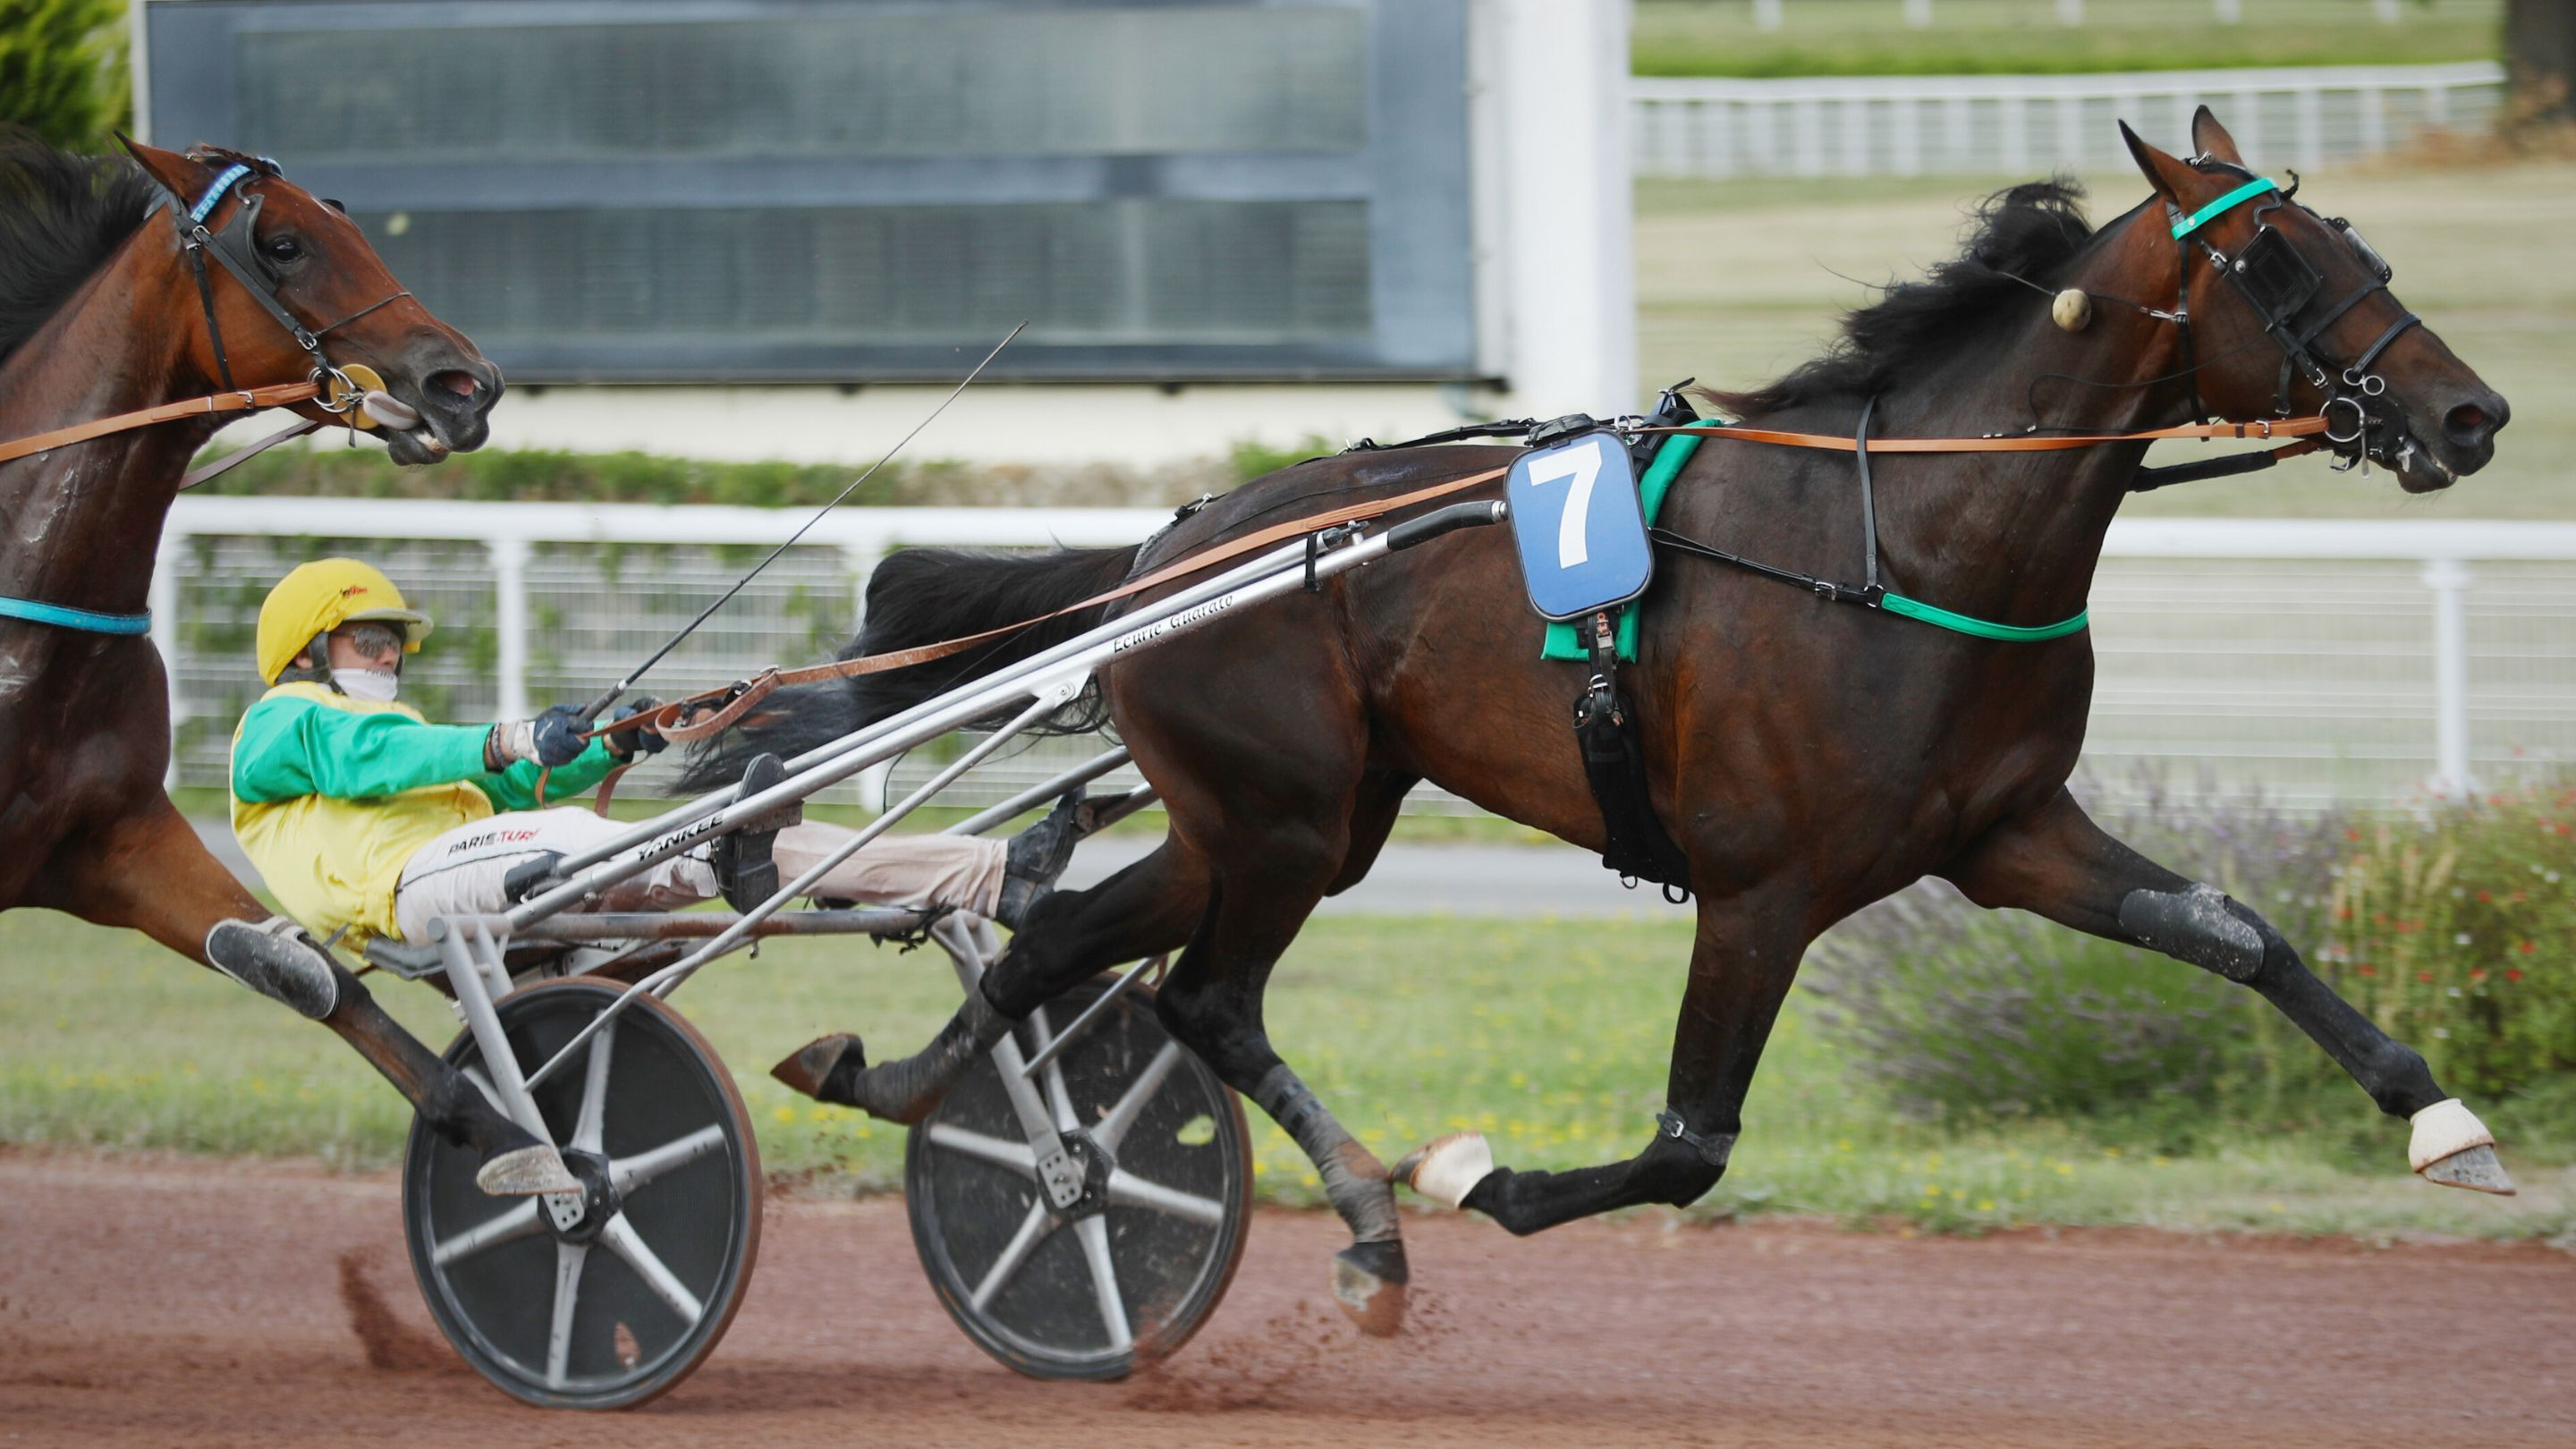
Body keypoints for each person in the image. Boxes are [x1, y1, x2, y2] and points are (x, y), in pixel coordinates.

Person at [229, 558, 1080, 950]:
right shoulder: (278, 727)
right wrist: (506, 736)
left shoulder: (394, 741)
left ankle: (994, 874)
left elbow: (520, 788)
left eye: (393, 646)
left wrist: (618, 742)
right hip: (409, 891)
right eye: (369, 642)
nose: (387, 659)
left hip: (479, 867)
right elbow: (370, 756)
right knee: (616, 838)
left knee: (737, 834)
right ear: (306, 654)